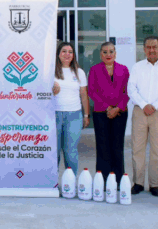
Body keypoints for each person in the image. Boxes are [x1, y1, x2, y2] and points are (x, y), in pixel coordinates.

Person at [127, 36, 158, 197]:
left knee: (157, 149)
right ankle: (138, 182)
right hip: (139, 111)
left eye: (155, 47)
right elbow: (131, 89)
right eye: (148, 47)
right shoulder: (137, 67)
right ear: (144, 49)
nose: (151, 50)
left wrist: (154, 105)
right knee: (137, 149)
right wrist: (144, 105)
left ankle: (154, 184)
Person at [88, 41, 129, 181]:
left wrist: (117, 108)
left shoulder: (124, 69)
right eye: (105, 52)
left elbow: (128, 91)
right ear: (100, 54)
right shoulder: (94, 70)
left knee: (117, 146)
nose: (108, 54)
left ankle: (118, 180)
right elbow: (92, 91)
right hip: (101, 112)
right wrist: (107, 107)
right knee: (102, 146)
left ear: (115, 53)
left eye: (111, 51)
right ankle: (103, 179)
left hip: (120, 112)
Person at [51, 43, 89, 175]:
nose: (67, 54)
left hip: (74, 115)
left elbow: (84, 94)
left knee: (70, 150)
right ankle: (52, 181)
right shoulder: (51, 71)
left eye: (70, 52)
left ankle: (71, 181)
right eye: (64, 51)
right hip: (54, 115)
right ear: (58, 54)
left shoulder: (79, 72)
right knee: (53, 150)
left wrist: (86, 115)